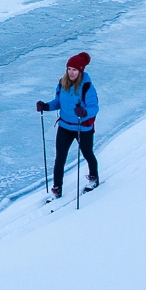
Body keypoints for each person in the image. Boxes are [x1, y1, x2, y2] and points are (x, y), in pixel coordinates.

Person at [36, 52, 99, 198]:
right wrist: (45, 106)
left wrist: (84, 112)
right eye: (69, 69)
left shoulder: (87, 87)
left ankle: (94, 179)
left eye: (74, 70)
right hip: (64, 127)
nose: (71, 72)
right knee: (60, 158)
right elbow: (58, 102)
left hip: (82, 127)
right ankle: (57, 189)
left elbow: (94, 108)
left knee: (87, 153)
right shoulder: (62, 83)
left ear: (80, 71)